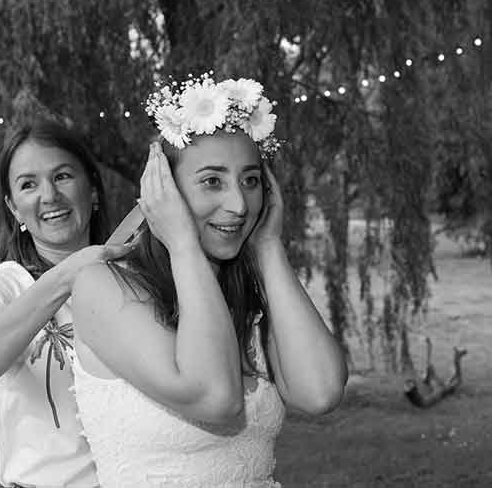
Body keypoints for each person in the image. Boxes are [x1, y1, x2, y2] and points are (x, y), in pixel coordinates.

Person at [70, 75, 349, 488]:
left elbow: (320, 392)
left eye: (250, 181)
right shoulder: (102, 287)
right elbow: (216, 399)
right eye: (212, 181)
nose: (238, 205)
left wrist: (269, 246)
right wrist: (181, 243)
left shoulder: (249, 294)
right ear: (164, 188)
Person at [0, 119, 131, 488]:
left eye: (62, 176)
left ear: (92, 188)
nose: (49, 195)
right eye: (29, 185)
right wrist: (63, 277)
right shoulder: (2, 288)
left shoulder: (137, 276)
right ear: (13, 208)